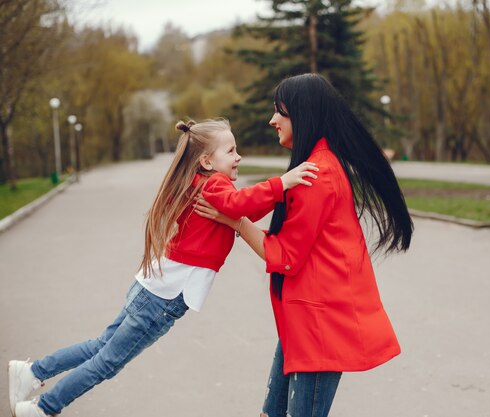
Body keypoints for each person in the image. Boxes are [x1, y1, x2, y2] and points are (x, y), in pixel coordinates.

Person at [7, 118, 318, 417]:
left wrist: (280, 192)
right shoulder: (214, 184)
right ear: (207, 161)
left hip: (152, 289)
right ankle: (42, 407)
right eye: (231, 151)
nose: (239, 156)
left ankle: (33, 372)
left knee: (101, 347)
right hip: (161, 299)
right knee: (107, 362)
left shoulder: (204, 183)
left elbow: (244, 206)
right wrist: (282, 183)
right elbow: (241, 206)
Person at [194, 74, 414, 417]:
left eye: (279, 111)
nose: (272, 120)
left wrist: (235, 221)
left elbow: (284, 257)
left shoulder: (317, 174)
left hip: (319, 326)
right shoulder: (314, 164)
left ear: (302, 113)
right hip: (304, 320)